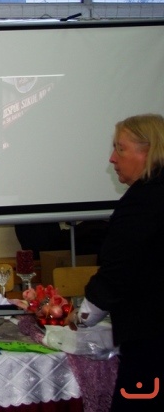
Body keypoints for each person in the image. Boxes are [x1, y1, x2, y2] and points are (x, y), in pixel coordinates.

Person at [74, 113, 164, 410]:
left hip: (151, 341)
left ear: (148, 151)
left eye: (120, 149)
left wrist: (81, 317)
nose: (112, 158)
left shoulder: (143, 200)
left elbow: (120, 269)